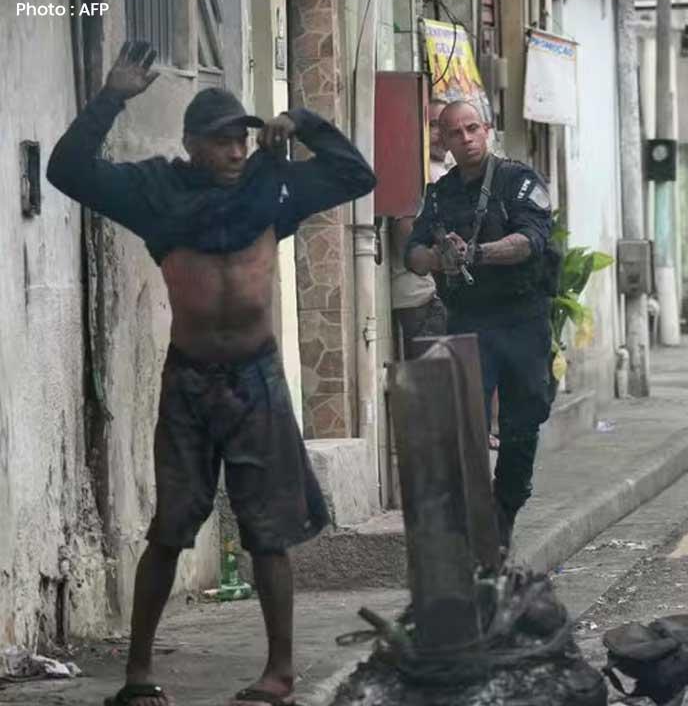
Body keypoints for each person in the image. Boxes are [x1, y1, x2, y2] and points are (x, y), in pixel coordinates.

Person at [46, 42, 376, 706]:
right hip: (190, 383)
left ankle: (279, 675)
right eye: (222, 141)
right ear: (192, 143)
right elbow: (68, 170)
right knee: (170, 529)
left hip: (257, 380)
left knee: (268, 533)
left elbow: (356, 176)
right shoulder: (154, 191)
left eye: (242, 140)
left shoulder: (271, 186)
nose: (235, 151)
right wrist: (112, 95)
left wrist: (305, 122)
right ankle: (138, 677)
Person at [404, 100, 555, 550]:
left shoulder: (518, 180)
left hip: (521, 320)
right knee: (463, 424)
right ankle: (472, 525)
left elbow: (531, 240)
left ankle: (504, 508)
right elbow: (411, 254)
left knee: (521, 424)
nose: (466, 138)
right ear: (444, 141)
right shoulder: (440, 193)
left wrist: (477, 254)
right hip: (469, 320)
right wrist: (438, 258)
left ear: (486, 130)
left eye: (473, 128)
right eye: (456, 132)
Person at [391, 99, 450, 361]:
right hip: (421, 298)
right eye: (433, 125)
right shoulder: (417, 171)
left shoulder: (441, 171)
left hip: (430, 299)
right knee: (438, 387)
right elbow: (406, 231)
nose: (440, 134)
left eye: (444, 127)